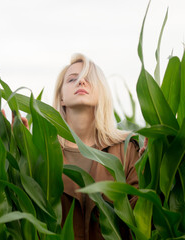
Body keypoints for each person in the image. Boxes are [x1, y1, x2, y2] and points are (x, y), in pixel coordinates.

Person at [52, 53, 146, 240]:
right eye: (72, 79)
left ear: (101, 92)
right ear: (61, 98)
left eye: (89, 79)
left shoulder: (127, 149)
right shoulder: (44, 151)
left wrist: (151, 172)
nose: (81, 82)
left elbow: (143, 221)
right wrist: (18, 149)